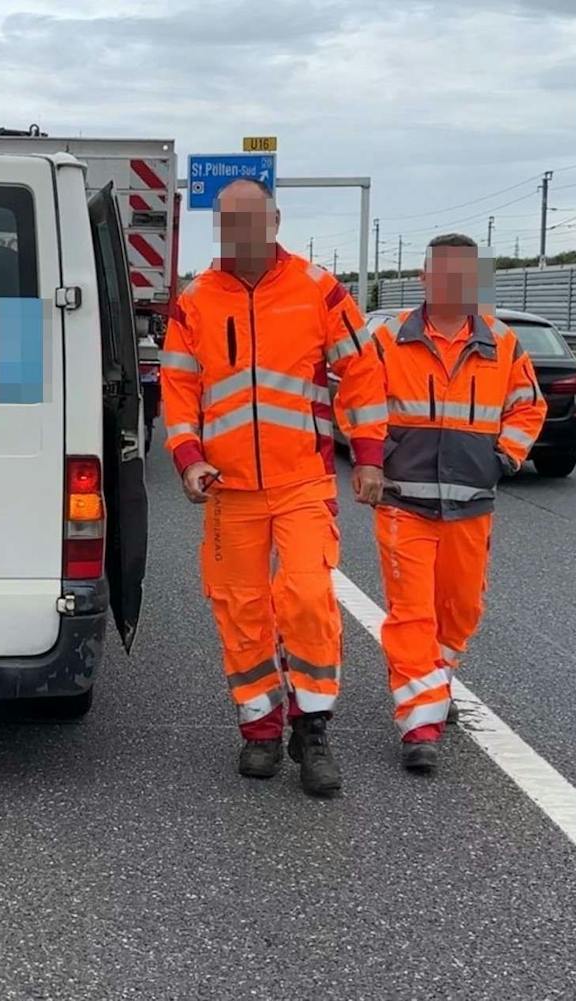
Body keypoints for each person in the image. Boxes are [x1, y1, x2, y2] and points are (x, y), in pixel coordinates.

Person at [160, 179, 388, 796]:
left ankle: (311, 728)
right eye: (230, 221)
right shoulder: (196, 300)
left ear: (276, 219)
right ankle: (260, 727)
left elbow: (362, 371)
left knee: (309, 597)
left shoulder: (318, 290)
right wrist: (187, 457)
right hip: (229, 488)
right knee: (240, 608)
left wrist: (368, 455)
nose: (242, 232)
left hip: (302, 481)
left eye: (253, 219)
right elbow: (178, 390)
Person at [367, 233, 547, 774]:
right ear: (424, 279)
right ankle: (420, 724)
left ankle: (435, 685)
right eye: (443, 275)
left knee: (460, 609)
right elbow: (360, 402)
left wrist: (504, 458)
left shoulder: (502, 343)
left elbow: (527, 407)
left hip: (471, 502)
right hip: (404, 501)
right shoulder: (389, 339)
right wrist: (375, 459)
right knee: (412, 614)